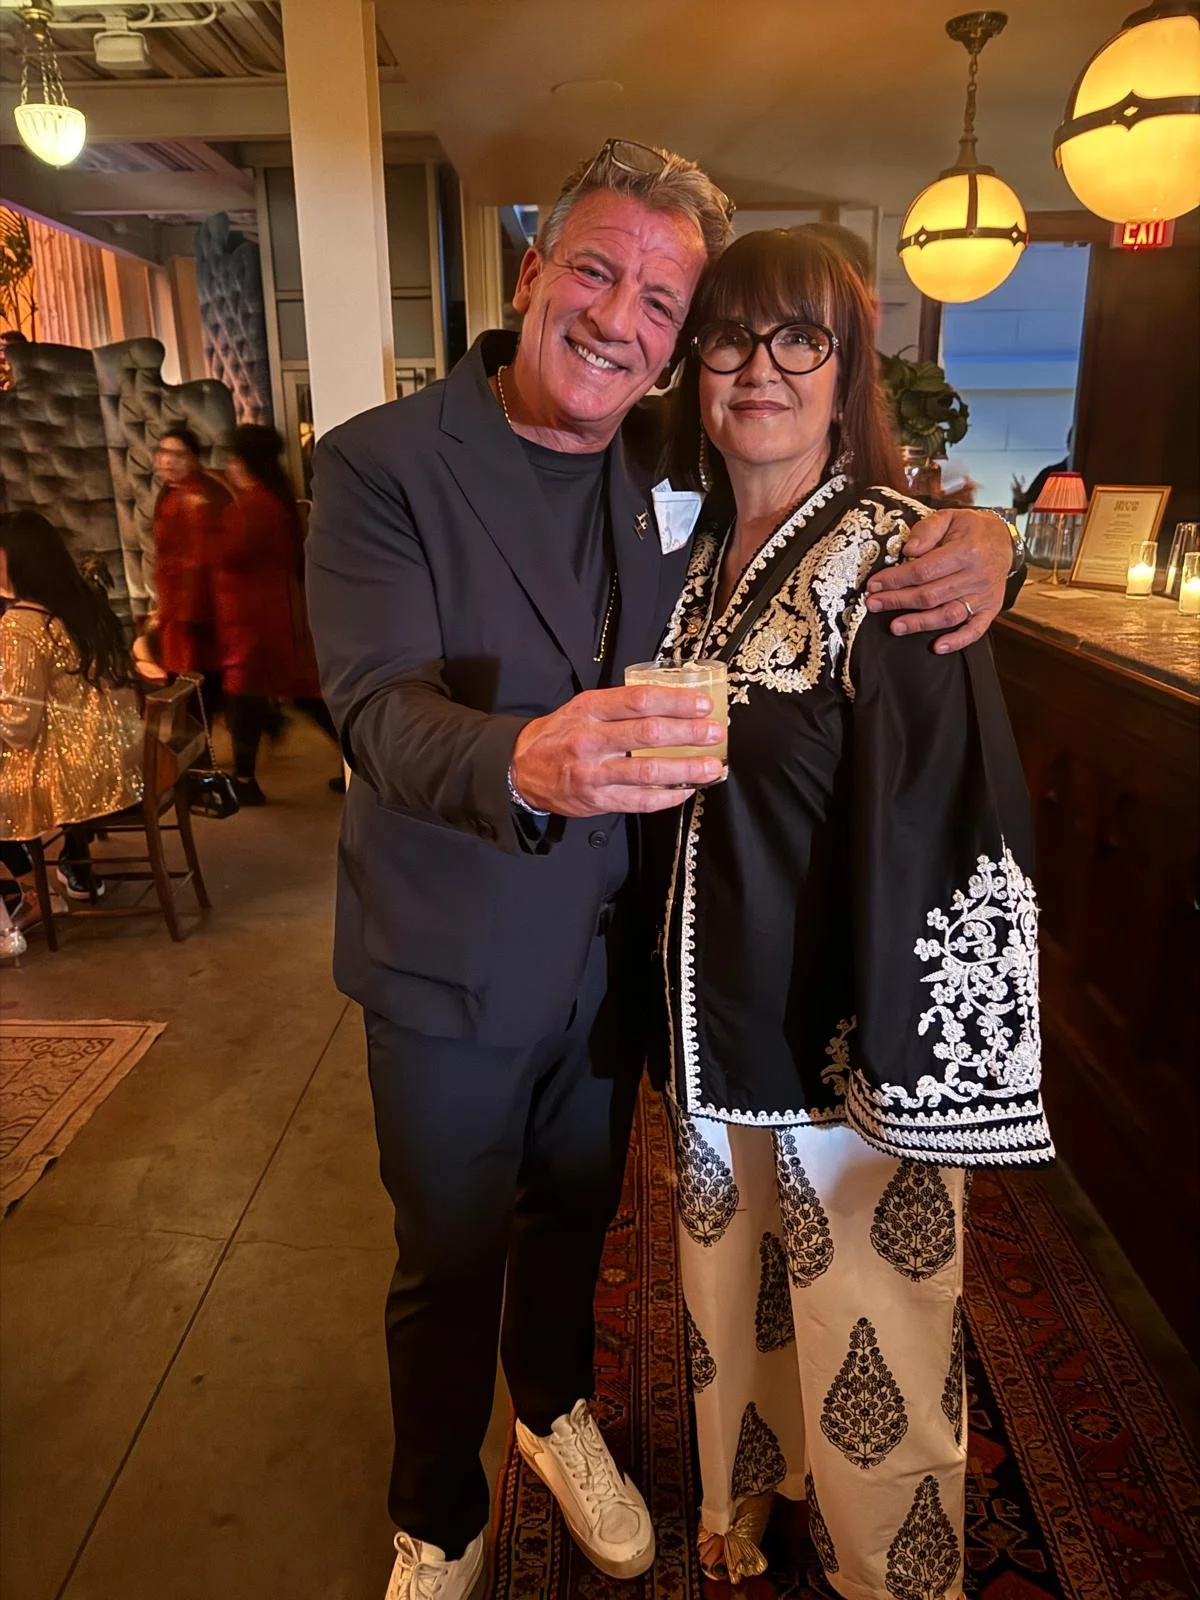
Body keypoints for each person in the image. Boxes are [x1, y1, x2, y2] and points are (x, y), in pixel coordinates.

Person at [305, 138, 1022, 1600]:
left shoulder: (667, 463)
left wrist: (991, 532)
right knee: (447, 1252)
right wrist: (526, 760)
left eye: (661, 301)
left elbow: (839, 486)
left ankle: (558, 1411)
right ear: (533, 273)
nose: (624, 319)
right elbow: (378, 710)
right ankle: (436, 1516)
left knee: (574, 1222)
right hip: (450, 952)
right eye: (596, 271)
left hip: (629, 964)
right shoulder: (379, 465)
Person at [654, 227, 1052, 1596]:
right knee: (731, 1286)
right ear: (695, 364)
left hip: (844, 1040)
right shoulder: (690, 551)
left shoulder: (898, 559)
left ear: (845, 371)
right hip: (715, 1025)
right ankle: (745, 1485)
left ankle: (893, 1573)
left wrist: (916, 1072)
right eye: (730, 338)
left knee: (875, 1321)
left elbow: (950, 816)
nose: (759, 369)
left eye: (796, 340)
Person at [0, 510, 143, 902]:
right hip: (113, 755)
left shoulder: (20, 625)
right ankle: (71, 863)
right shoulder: (80, 602)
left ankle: (31, 895)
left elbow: (18, 725)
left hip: (71, 775)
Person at [215, 424, 339, 804]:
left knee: (251, 698)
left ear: (242, 463)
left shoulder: (251, 506)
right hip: (273, 614)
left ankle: (245, 779)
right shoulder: (275, 500)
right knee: (302, 695)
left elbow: (228, 556)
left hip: (254, 621)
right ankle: (357, 762)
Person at [151, 424, 230, 689]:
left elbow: (201, 559)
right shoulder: (171, 491)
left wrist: (188, 613)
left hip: (195, 611)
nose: (168, 460)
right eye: (163, 452)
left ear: (194, 458)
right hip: (175, 607)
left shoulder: (200, 497)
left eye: (179, 454)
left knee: (196, 680)